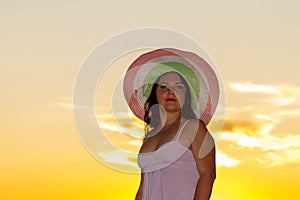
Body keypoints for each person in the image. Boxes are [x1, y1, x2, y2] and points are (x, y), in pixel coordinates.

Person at [123, 48, 220, 200]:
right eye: (164, 86)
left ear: (187, 94)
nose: (171, 92)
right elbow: (143, 187)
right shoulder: (150, 136)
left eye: (179, 87)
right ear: (155, 92)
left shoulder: (194, 128)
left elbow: (208, 175)